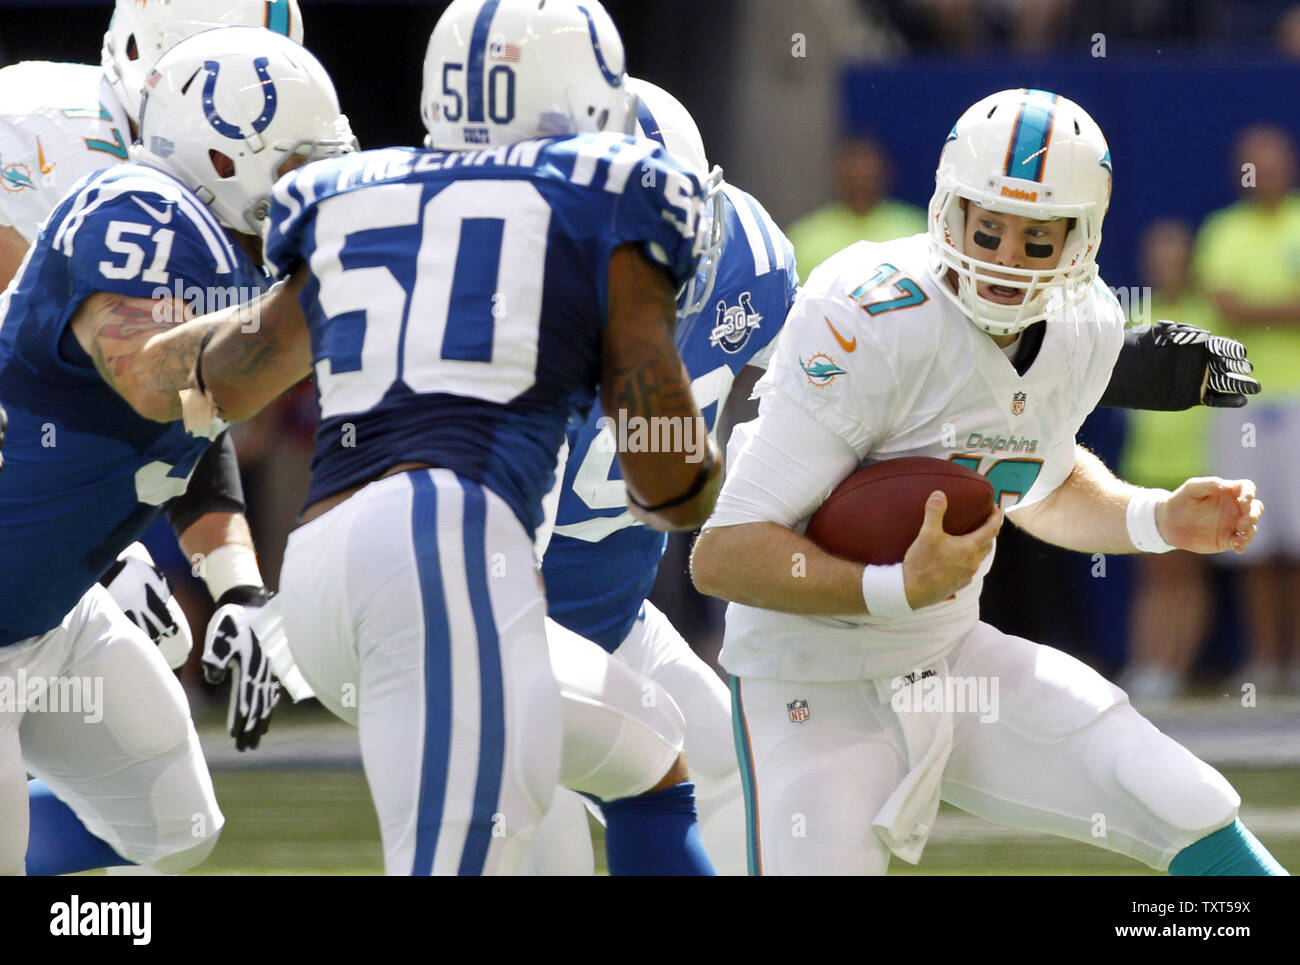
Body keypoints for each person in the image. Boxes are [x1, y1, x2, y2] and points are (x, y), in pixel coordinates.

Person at [171, 0, 723, 876]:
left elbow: (230, 374)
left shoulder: (357, 194)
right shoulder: (605, 203)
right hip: (442, 543)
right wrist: (698, 467)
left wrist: (133, 351)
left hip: (315, 575)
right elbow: (668, 479)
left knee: (651, 751)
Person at [690, 88, 1285, 876]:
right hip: (811, 681)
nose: (1006, 258)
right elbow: (724, 555)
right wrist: (892, 584)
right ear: (950, 210)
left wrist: (1155, 518)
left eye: (1037, 238)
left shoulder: (1087, 324)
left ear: (1082, 236)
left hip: (948, 655)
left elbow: (1033, 477)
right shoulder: (869, 313)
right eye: (990, 227)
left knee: (1173, 795)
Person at [0, 25, 352, 875]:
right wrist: (326, 296)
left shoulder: (227, 265)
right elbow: (157, 377)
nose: (321, 188)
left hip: (47, 614)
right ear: (227, 155)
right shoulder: (141, 211)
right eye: (302, 163)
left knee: (176, 828)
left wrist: (236, 589)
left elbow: (194, 425)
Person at [530, 77, 798, 875]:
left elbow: (821, 394)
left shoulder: (748, 257)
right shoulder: (511, 322)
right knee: (552, 851)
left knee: (736, 771)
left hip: (612, 619)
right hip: (486, 641)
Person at [1195, 123, 1300, 695]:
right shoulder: (1222, 230)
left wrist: (1255, 309)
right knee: (1252, 538)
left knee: (1299, 541)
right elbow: (1223, 307)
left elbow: (1241, 307)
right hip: (1242, 402)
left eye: (1273, 160)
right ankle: (1266, 660)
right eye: (1252, 163)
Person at [1117, 219, 1220, 701]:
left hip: (1198, 462)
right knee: (1153, 571)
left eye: (1174, 255)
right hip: (1146, 463)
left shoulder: (1212, 315)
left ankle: (1174, 667)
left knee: (1184, 571)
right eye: (1156, 257)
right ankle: (1146, 663)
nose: (1165, 265)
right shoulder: (1135, 316)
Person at [785, 138, 925, 277]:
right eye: (852, 170)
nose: (860, 175)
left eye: (868, 169)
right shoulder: (805, 238)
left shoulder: (916, 230)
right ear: (836, 173)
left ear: (884, 173)